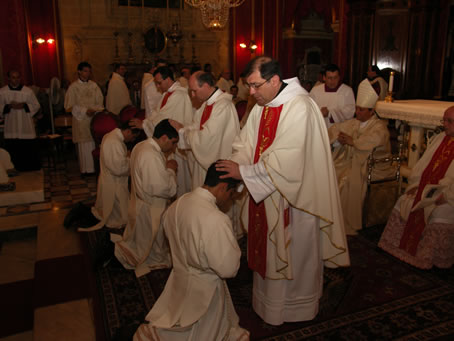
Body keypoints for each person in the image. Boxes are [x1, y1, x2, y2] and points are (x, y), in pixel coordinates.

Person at [216, 56, 350, 326]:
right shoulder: (262, 105)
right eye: (248, 86)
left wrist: (245, 173)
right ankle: (269, 306)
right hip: (266, 194)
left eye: (255, 86)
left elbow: (289, 159)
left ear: (275, 80)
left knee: (295, 254)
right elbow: (245, 141)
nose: (251, 93)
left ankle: (297, 308)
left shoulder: (300, 106)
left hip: (295, 200)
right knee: (269, 253)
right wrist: (240, 163)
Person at [133, 163, 249, 341]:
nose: (229, 199)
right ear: (223, 187)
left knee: (176, 321)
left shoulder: (178, 203)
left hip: (179, 279)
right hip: (206, 290)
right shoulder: (217, 219)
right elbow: (228, 269)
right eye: (231, 194)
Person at [378, 106, 454, 269]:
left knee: (438, 212)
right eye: (444, 120)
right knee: (404, 200)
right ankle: (394, 246)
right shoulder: (440, 138)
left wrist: (447, 196)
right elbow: (423, 166)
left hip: (447, 195)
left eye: (450, 121)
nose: (445, 125)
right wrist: (415, 185)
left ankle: (431, 258)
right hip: (427, 190)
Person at [113, 119, 179, 277]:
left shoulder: (141, 145)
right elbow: (160, 188)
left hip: (141, 203)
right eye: (173, 142)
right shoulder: (151, 155)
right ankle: (152, 260)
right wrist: (171, 171)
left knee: (142, 237)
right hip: (151, 208)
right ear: (164, 137)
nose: (174, 146)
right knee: (152, 247)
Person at [328, 78, 394, 235]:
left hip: (372, 165)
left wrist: (352, 141)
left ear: (371, 111)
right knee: (331, 173)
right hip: (353, 162)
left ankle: (347, 221)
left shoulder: (379, 126)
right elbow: (336, 128)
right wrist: (339, 138)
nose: (357, 112)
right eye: (357, 108)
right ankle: (331, 219)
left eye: (362, 110)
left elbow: (375, 140)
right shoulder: (355, 122)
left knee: (346, 180)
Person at [171, 71, 240, 189]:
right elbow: (196, 125)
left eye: (194, 91)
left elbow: (207, 139)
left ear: (206, 86)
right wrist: (183, 128)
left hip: (216, 164)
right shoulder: (207, 104)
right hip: (203, 164)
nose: (192, 95)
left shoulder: (223, 106)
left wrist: (183, 132)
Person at [132, 66, 193, 197]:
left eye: (159, 83)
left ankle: (180, 203)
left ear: (168, 79)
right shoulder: (168, 94)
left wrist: (143, 124)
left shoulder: (179, 95)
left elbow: (163, 117)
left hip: (176, 144)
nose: (158, 87)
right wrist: (145, 122)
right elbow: (157, 113)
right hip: (168, 141)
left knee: (180, 177)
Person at [82, 121, 141, 232]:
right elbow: (118, 169)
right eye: (133, 137)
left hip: (110, 180)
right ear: (128, 131)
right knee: (119, 218)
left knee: (125, 212)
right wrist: (130, 159)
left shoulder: (111, 136)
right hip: (114, 184)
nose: (132, 140)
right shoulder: (114, 142)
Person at [64, 61, 104, 175]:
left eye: (89, 71)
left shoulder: (94, 86)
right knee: (83, 145)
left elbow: (100, 102)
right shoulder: (73, 87)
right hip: (81, 120)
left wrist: (95, 110)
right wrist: (85, 111)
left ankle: (95, 169)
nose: (87, 73)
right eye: (85, 71)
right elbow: (69, 106)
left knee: (93, 142)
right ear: (79, 71)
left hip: (93, 119)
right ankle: (85, 170)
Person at [0, 70, 41, 171]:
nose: (16, 80)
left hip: (25, 125)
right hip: (11, 125)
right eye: (13, 77)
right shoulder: (3, 92)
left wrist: (24, 105)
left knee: (27, 148)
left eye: (18, 77)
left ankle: (29, 167)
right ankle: (13, 168)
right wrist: (8, 106)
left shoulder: (27, 91)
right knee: (13, 148)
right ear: (8, 78)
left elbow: (36, 105)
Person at [309, 63, 355, 128]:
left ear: (339, 77)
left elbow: (350, 111)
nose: (333, 81)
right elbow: (309, 107)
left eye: (335, 78)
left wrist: (330, 113)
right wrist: (319, 112)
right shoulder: (316, 90)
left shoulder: (347, 91)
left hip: (339, 130)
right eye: (329, 78)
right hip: (320, 128)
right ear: (324, 78)